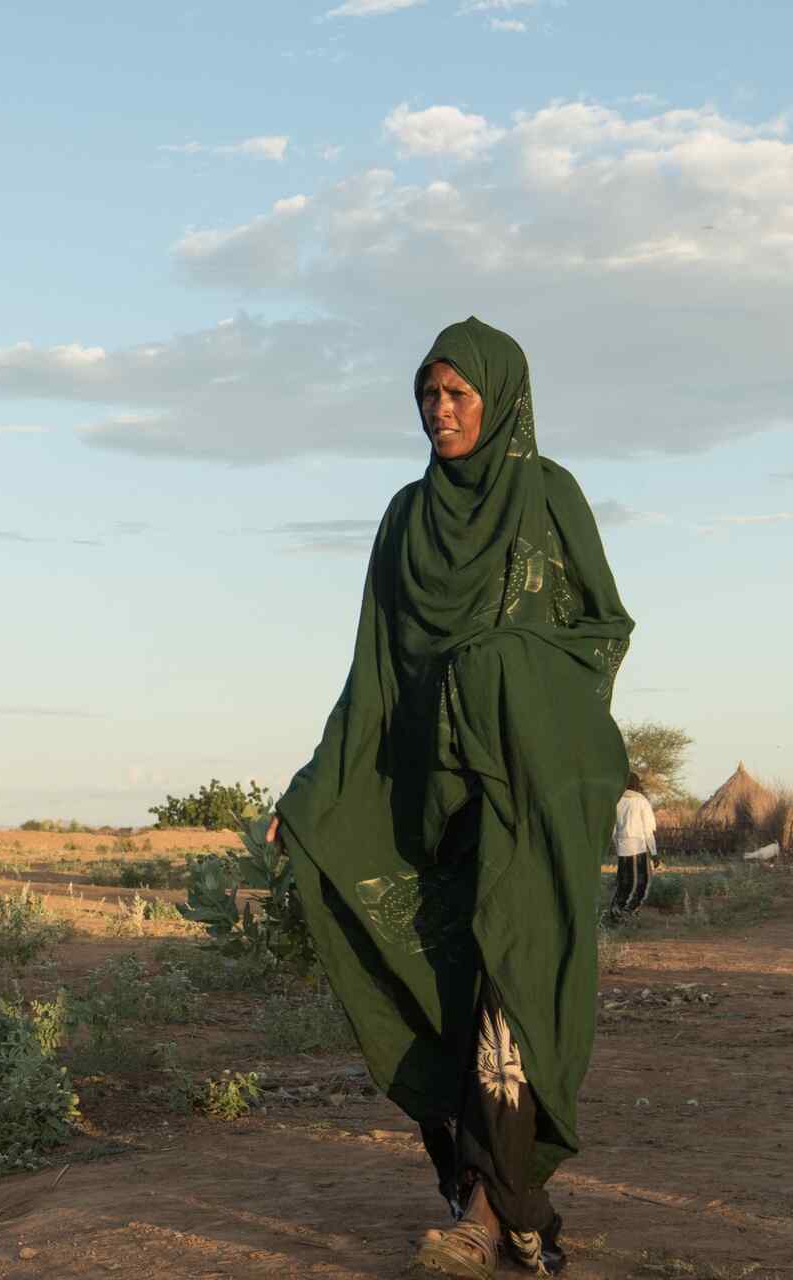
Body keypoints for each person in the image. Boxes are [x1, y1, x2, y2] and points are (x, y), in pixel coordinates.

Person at [268, 317, 633, 1279]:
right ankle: (510, 1205)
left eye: (458, 394)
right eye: (429, 395)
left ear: (502, 397)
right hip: (426, 796)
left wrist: (503, 664)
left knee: (515, 984)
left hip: (525, 784)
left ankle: (479, 1217)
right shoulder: (403, 518)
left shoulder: (549, 499)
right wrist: (311, 791)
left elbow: (601, 632)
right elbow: (372, 676)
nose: (440, 411)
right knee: (452, 986)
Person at [608, 773, 658, 919]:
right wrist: (654, 853)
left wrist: (618, 847)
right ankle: (628, 913)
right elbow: (648, 830)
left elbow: (613, 830)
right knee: (641, 883)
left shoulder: (616, 801)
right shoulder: (641, 801)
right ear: (636, 784)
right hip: (638, 847)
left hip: (623, 847)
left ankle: (615, 911)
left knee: (624, 882)